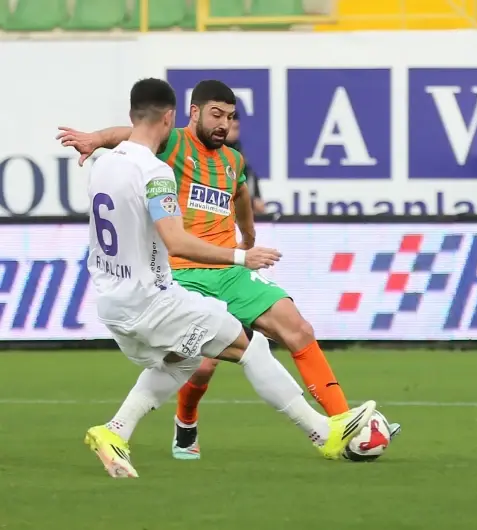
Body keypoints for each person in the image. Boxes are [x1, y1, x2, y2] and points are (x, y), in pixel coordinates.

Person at [57, 79, 375, 462]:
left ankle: (115, 431)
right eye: (217, 114)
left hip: (119, 300)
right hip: (160, 291)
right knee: (242, 350)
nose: (224, 123)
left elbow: (231, 194)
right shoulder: (159, 167)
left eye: (230, 116)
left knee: (191, 358)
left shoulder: (105, 166)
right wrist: (242, 256)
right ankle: (323, 433)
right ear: (177, 116)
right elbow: (175, 241)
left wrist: (247, 237)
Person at [225, 111, 266, 214]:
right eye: (233, 128)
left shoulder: (239, 152)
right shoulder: (215, 154)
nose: (235, 133)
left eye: (237, 128)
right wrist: (251, 202)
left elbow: (249, 176)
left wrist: (256, 199)